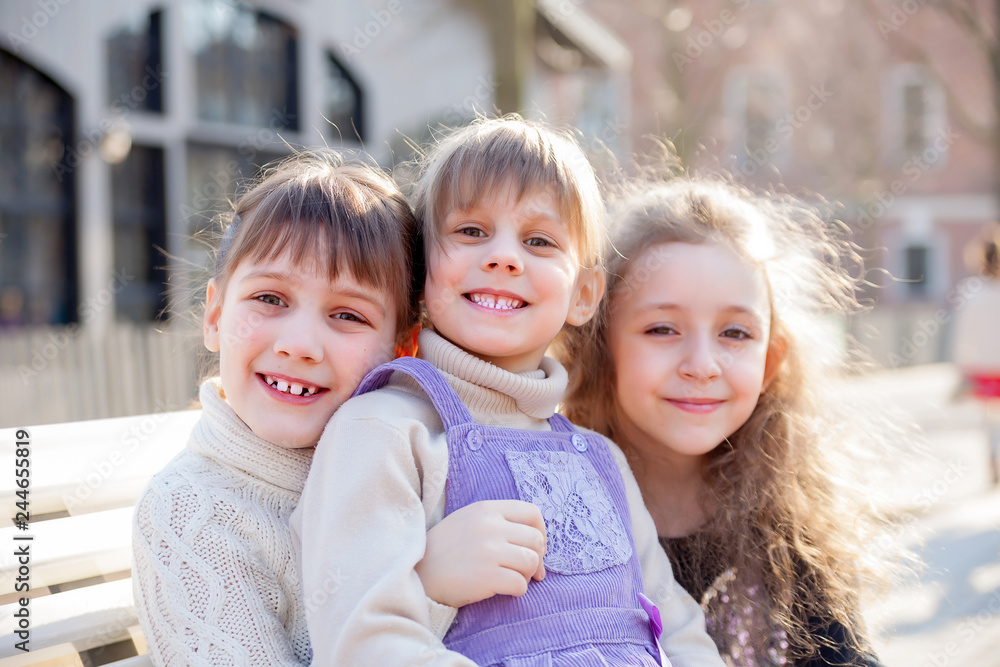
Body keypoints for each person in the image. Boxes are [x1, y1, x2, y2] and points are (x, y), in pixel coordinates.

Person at [291, 117, 725, 666]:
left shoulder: (603, 462)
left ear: (584, 294)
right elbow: (365, 641)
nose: (504, 257)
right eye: (471, 231)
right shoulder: (384, 432)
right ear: (422, 269)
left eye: (539, 241)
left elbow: (678, 626)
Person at [131, 151, 530, 665]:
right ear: (214, 315)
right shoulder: (191, 511)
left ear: (404, 348)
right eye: (270, 299)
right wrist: (420, 588)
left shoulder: (408, 466)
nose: (300, 345)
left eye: (347, 314)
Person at [559, 177, 899, 666]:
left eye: (735, 333)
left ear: (771, 360)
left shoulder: (792, 535)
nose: (703, 364)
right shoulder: (553, 510)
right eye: (662, 328)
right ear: (599, 346)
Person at [951, 225, 1000, 486]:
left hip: (984, 369)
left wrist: (962, 370)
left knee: (991, 420)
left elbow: (963, 336)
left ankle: (993, 456)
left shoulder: (973, 293)